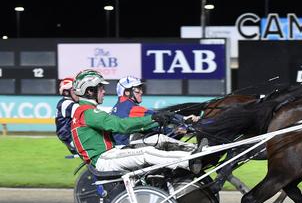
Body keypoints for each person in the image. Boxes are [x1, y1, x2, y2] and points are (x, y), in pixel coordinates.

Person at [70, 69, 200, 173]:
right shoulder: (88, 112)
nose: (104, 91)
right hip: (104, 159)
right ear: (90, 90)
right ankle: (190, 161)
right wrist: (153, 118)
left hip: (109, 154)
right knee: (146, 152)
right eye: (101, 88)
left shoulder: (86, 111)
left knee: (154, 144)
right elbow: (121, 125)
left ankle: (192, 153)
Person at [111, 75, 196, 150]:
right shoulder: (130, 107)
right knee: (161, 139)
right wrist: (184, 118)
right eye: (137, 89)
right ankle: (193, 148)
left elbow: (150, 127)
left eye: (141, 89)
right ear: (127, 92)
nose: (141, 92)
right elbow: (159, 116)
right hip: (124, 149)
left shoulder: (118, 106)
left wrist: (175, 131)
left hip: (119, 147)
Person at [55, 77, 80, 154]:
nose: (78, 92)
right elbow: (86, 112)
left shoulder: (64, 102)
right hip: (69, 136)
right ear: (66, 92)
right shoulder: (67, 103)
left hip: (68, 135)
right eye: (74, 90)